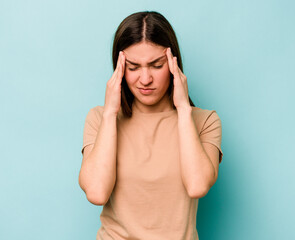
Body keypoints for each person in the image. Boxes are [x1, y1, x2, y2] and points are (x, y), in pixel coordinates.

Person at [78, 11, 223, 240]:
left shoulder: (204, 121)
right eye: (133, 67)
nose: (145, 79)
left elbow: (197, 186)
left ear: (173, 64)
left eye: (156, 65)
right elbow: (97, 192)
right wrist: (110, 113)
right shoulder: (100, 119)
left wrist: (184, 109)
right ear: (119, 67)